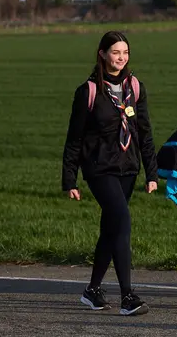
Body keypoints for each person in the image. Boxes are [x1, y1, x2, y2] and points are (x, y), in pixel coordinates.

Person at [61, 30, 158, 316]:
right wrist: (70, 179)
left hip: (128, 167)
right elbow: (75, 138)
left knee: (111, 228)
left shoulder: (135, 87)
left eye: (125, 52)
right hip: (99, 168)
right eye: (116, 52)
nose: (121, 57)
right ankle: (128, 296)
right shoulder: (89, 91)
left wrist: (151, 173)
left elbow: (144, 132)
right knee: (122, 221)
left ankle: (92, 290)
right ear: (102, 54)